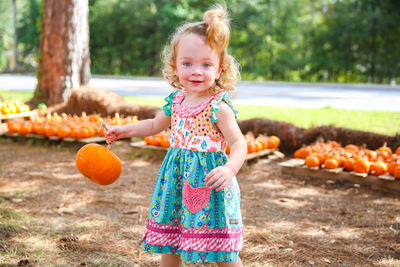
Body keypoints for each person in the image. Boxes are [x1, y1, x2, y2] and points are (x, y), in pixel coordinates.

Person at [105, 4, 246, 266]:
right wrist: (123, 130)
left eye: (206, 64)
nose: (196, 71)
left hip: (209, 184)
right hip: (176, 181)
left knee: (222, 249)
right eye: (188, 63)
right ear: (175, 65)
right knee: (171, 240)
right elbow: (153, 125)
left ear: (219, 69)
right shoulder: (176, 101)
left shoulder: (219, 107)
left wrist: (230, 169)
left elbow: (239, 143)